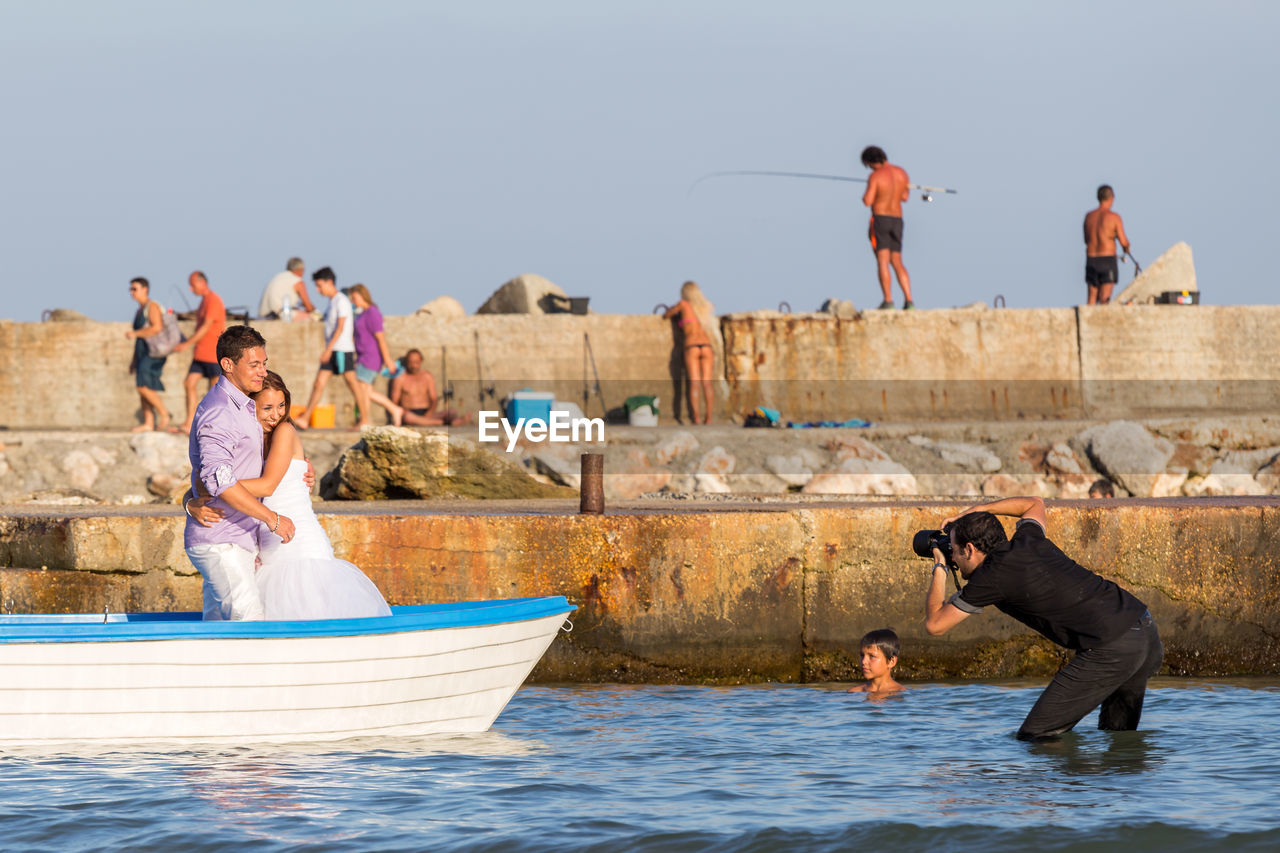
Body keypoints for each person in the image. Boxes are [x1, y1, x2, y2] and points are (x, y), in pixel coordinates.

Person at [923, 496, 1162, 740]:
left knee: (1036, 735)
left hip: (1114, 647)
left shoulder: (990, 578)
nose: (952, 556)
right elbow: (1034, 503)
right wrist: (979, 509)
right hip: (1144, 629)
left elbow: (935, 625)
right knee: (1118, 738)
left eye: (953, 550)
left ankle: (1075, 780)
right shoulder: (1028, 539)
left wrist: (939, 567)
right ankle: (1111, 779)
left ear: (970, 549)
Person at [189, 372, 391, 620]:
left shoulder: (284, 431)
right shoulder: (248, 440)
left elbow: (266, 486)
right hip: (265, 544)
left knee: (307, 612)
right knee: (260, 615)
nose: (275, 415)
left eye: (281, 406)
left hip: (295, 542)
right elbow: (213, 481)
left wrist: (215, 484)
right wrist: (189, 501)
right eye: (267, 408)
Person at [184, 325, 296, 621]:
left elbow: (210, 478)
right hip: (221, 540)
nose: (262, 371)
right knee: (250, 623)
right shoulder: (220, 411)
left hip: (238, 538)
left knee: (217, 628)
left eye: (264, 363)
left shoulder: (245, 405)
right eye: (254, 364)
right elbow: (218, 480)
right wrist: (272, 520)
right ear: (228, 365)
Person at [296, 267, 361, 428]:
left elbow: (341, 326)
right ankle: (305, 418)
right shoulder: (332, 302)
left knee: (353, 384)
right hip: (334, 349)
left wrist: (328, 349)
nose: (318, 290)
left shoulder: (341, 301)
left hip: (341, 350)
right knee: (319, 383)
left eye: (319, 286)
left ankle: (365, 418)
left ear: (329, 282)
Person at [171, 271, 226, 435]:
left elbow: (205, 327)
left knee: (216, 390)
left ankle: (215, 425)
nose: (190, 288)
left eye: (192, 284)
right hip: (200, 353)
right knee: (189, 383)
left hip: (213, 353)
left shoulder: (214, 300)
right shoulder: (204, 302)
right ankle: (189, 423)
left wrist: (186, 344)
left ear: (202, 283)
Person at [861, 145, 914, 310]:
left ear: (869, 162)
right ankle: (909, 300)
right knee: (897, 261)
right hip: (898, 219)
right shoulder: (902, 173)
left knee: (883, 260)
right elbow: (905, 197)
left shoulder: (875, 176)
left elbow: (867, 201)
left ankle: (888, 300)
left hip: (881, 218)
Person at [348, 283, 404, 427]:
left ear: (362, 295)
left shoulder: (373, 313)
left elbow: (381, 339)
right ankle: (394, 410)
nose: (353, 301)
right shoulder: (362, 314)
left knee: (362, 390)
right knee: (367, 391)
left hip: (370, 357)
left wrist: (388, 360)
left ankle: (365, 421)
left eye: (355, 297)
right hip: (362, 357)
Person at [123, 277, 172, 432]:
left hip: (154, 353)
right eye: (131, 289)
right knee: (144, 386)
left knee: (143, 387)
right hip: (142, 353)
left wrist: (135, 333)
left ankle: (164, 414)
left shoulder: (152, 306)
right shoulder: (140, 309)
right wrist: (133, 360)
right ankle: (148, 422)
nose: (132, 292)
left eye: (135, 289)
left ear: (145, 289)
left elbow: (156, 328)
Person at [663, 281, 715, 424]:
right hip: (706, 345)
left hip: (691, 345)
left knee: (694, 383)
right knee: (707, 383)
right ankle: (709, 418)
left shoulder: (683, 305)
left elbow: (667, 314)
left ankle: (696, 418)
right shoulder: (706, 306)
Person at [391, 349, 470, 426]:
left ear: (421, 361)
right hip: (409, 413)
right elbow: (394, 402)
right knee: (408, 418)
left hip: (427, 413)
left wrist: (429, 413)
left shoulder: (427, 376)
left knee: (452, 412)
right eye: (410, 362)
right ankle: (446, 423)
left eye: (416, 362)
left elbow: (434, 399)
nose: (413, 365)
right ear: (406, 362)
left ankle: (426, 421)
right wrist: (403, 411)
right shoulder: (400, 378)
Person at [1083, 185, 1131, 305]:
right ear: (1111, 198)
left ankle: (1088, 321)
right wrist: (1127, 248)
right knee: (1105, 298)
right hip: (1107, 260)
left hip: (1091, 259)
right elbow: (1123, 242)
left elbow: (1086, 240)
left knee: (1092, 297)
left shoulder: (1089, 217)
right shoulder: (1114, 217)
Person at [846, 628, 903, 697]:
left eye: (872, 656)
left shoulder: (900, 693)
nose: (863, 661)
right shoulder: (853, 693)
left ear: (892, 661)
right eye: (862, 655)